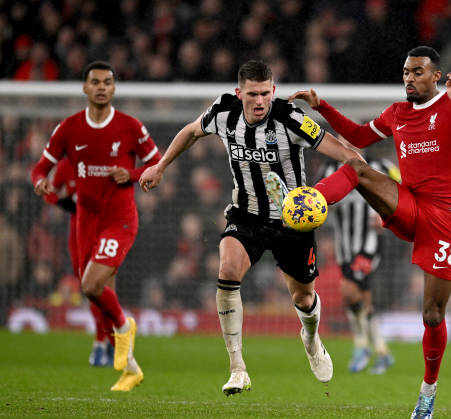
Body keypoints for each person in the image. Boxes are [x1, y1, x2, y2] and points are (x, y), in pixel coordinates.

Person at [289, 46, 451, 419]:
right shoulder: (397, 113)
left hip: (448, 219)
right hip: (410, 204)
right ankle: (310, 201)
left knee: (433, 315)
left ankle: (428, 391)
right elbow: (355, 134)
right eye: (405, 71)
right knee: (356, 165)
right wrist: (321, 106)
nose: (409, 78)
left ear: (436, 76)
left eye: (417, 72)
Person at [139, 59, 362, 395]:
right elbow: (190, 131)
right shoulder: (223, 112)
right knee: (228, 268)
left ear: (273, 91)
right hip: (247, 215)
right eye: (253, 94)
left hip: (293, 221)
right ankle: (237, 368)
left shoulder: (291, 118)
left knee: (303, 297)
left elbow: (346, 155)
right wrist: (161, 165)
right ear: (238, 93)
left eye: (266, 94)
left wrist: (324, 194)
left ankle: (312, 339)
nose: (260, 101)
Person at [31, 61, 162, 391]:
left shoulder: (130, 126)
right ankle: (130, 368)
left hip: (119, 220)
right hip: (85, 221)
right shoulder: (69, 128)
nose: (102, 87)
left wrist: (131, 175)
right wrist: (40, 183)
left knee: (91, 286)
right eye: (95, 82)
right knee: (93, 287)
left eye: (107, 82)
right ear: (85, 88)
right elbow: (39, 168)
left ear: (114, 88)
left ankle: (120, 328)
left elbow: (157, 165)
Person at [321, 153, 397, 374]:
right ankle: (382, 351)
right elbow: (314, 200)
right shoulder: (329, 168)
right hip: (344, 246)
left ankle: (361, 345)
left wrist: (390, 215)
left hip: (369, 244)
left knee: (348, 290)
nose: (345, 145)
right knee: (362, 298)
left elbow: (405, 189)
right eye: (340, 140)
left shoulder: (380, 164)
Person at [44, 157, 115, 367]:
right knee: (89, 288)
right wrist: (63, 202)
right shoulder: (67, 165)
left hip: (105, 228)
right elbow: (50, 192)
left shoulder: (106, 161)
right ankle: (106, 341)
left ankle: (103, 342)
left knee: (103, 286)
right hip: (79, 232)